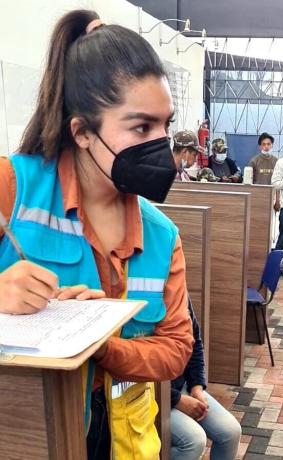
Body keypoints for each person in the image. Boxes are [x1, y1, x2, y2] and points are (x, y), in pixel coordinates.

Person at [0, 10, 194, 460]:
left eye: (165, 125)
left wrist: (102, 344)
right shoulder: (13, 189)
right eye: (141, 127)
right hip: (26, 436)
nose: (161, 145)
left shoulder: (162, 234)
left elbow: (175, 348)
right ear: (83, 133)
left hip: (123, 433)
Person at [171, 300, 241, 459]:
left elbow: (194, 343)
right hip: (154, 396)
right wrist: (177, 400)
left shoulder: (179, 291)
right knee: (194, 442)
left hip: (182, 386)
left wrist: (196, 388)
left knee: (231, 432)